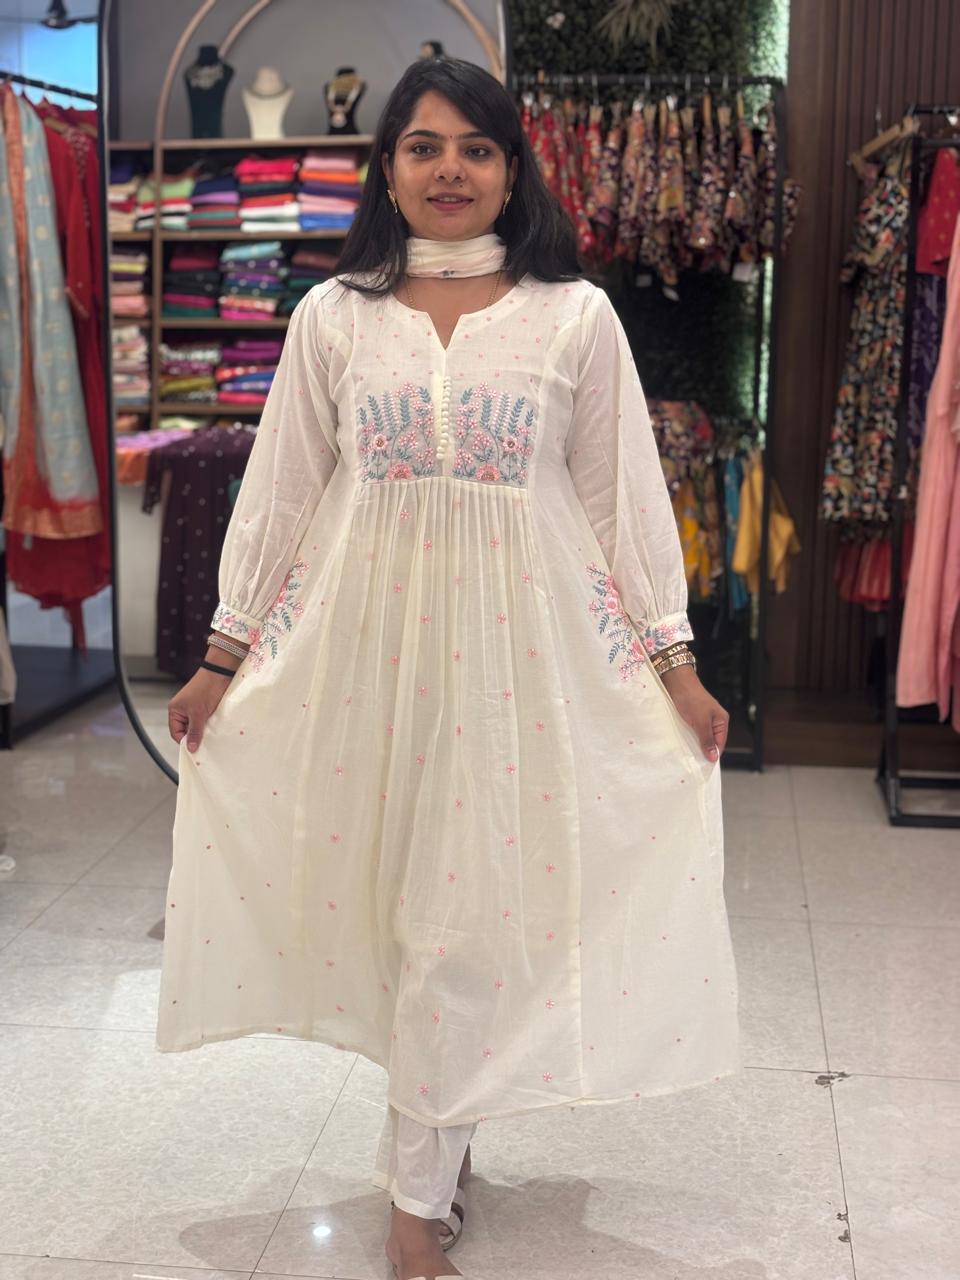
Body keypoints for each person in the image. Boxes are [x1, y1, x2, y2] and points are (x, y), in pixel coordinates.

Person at [160, 56, 740, 1280]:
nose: (450, 170)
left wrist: (674, 664)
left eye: (477, 148)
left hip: (524, 665)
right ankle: (438, 1148)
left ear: (513, 172)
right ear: (387, 169)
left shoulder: (574, 317)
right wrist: (223, 655)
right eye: (423, 146)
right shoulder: (333, 317)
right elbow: (281, 494)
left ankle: (415, 1210)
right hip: (363, 664)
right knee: (406, 918)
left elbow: (621, 501)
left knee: (464, 920)